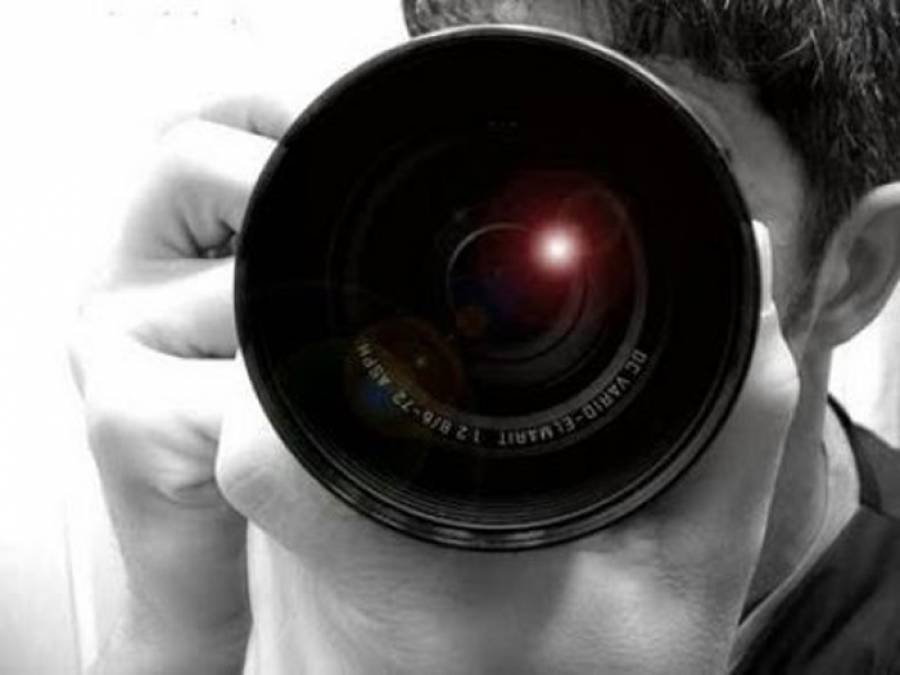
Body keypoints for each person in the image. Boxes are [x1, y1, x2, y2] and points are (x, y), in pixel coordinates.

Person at [69, 1, 900, 673]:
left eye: (641, 155)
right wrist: (178, 635)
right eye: (482, 127)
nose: (514, 225)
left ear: (855, 270)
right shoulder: (288, 483)